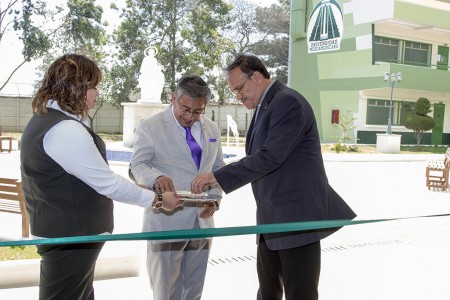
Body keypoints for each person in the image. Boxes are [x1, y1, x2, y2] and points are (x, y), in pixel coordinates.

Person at [191, 54, 357, 300]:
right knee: (267, 292)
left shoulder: (287, 102)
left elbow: (270, 157)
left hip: (296, 220)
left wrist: (216, 177)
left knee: (299, 294)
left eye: (239, 89)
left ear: (257, 77)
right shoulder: (266, 105)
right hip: (272, 219)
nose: (238, 96)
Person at [20, 53, 179, 300]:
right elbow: (109, 184)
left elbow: (84, 177)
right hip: (70, 237)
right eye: (94, 86)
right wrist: (158, 200)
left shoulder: (46, 119)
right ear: (77, 87)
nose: (96, 93)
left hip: (64, 234)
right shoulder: (65, 129)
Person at [129, 75, 225, 300]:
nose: (190, 116)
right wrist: (156, 177)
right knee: (165, 291)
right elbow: (137, 165)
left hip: (202, 222)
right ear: (173, 98)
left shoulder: (212, 130)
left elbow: (219, 168)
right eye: (185, 108)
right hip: (166, 221)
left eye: (198, 111)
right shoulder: (150, 127)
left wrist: (215, 198)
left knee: (194, 289)